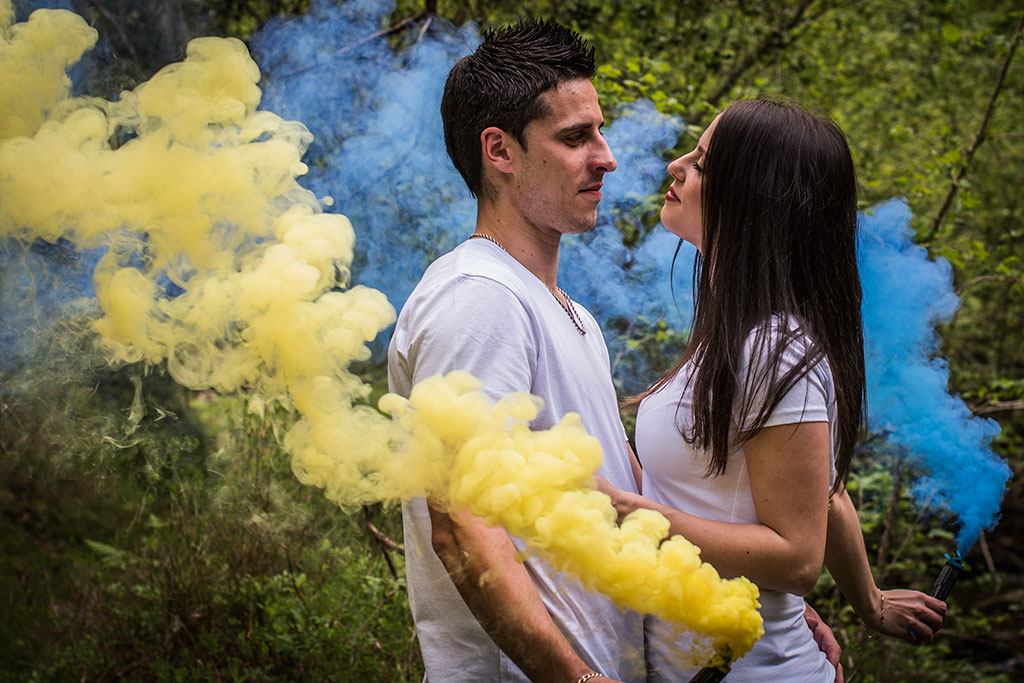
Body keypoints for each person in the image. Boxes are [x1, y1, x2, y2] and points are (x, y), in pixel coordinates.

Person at [597, 99, 948, 681]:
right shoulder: (737, 334)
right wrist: (871, 602)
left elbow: (797, 557)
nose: (675, 166)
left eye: (703, 163)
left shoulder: (774, 348)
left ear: (751, 198)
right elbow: (825, 494)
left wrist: (633, 513)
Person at [387, 20, 643, 683]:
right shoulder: (480, 297)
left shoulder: (564, 310)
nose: (606, 156)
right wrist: (575, 677)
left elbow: (618, 503)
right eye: (574, 137)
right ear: (499, 150)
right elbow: (463, 525)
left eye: (600, 130)